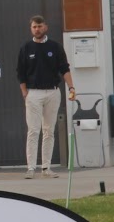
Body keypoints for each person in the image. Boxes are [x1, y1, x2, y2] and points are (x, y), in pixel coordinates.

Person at [16, 15, 76, 178]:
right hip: (33, 92)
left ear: (46, 27)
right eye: (34, 27)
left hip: (52, 92)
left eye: (40, 26)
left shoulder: (55, 47)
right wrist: (24, 92)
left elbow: (64, 68)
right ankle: (30, 168)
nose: (37, 29)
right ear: (31, 29)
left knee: (49, 130)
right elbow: (20, 72)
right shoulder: (26, 48)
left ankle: (46, 167)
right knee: (33, 130)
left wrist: (71, 87)